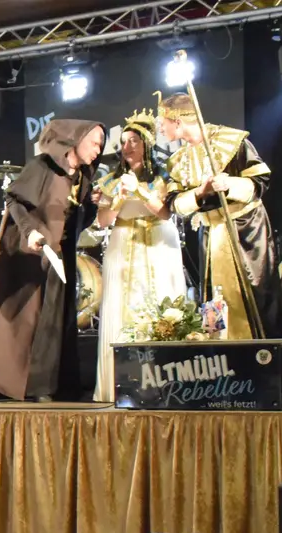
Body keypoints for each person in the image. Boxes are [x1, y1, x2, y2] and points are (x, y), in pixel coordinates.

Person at [0, 119, 106, 402]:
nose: (98, 149)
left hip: (58, 255)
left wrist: (92, 204)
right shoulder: (43, 166)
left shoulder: (84, 176)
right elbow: (14, 200)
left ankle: (43, 386)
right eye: (94, 142)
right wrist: (31, 232)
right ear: (75, 139)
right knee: (13, 319)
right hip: (24, 252)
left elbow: (80, 222)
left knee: (51, 321)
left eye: (101, 145)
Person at [160, 92, 282, 339]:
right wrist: (200, 192)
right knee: (214, 295)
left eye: (162, 122)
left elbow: (260, 182)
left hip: (244, 229)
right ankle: (220, 353)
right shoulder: (177, 160)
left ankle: (262, 355)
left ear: (177, 121)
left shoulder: (233, 141)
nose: (160, 129)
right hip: (210, 232)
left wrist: (229, 184)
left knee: (251, 295)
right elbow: (174, 204)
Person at [91, 111, 187, 401]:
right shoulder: (110, 180)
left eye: (134, 140)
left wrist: (140, 191)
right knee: (121, 307)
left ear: (146, 143)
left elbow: (166, 211)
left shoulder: (164, 175)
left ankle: (165, 385)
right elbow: (104, 220)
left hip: (158, 240)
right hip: (123, 242)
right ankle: (119, 385)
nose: (128, 146)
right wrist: (118, 197)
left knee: (162, 303)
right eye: (123, 141)